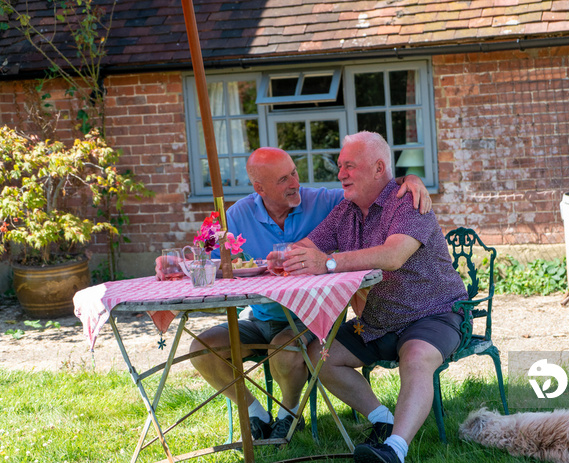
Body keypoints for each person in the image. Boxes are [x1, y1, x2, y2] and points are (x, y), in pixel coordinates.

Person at [155, 146, 431, 441]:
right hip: (261, 315)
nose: (295, 183)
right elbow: (204, 254)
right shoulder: (236, 215)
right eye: (283, 179)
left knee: (283, 348)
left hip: (311, 317)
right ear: (259, 188)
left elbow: (372, 187)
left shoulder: (323, 201)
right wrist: (175, 262)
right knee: (203, 349)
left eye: (294, 173)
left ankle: (288, 414)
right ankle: (256, 415)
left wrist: (409, 178)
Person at [276, 132, 469, 463]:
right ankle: (382, 420)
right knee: (318, 355)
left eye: (349, 166)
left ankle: (394, 450)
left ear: (379, 168)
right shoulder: (346, 212)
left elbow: (393, 255)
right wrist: (285, 257)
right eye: (339, 167)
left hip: (432, 314)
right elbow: (308, 246)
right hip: (376, 322)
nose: (340, 174)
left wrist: (329, 263)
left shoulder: (407, 201)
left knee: (417, 355)